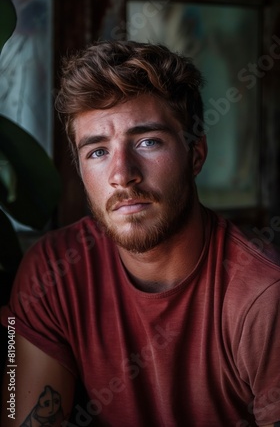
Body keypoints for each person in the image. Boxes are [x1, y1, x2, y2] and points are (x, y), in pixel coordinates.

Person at [1, 41, 280, 427]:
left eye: (148, 141)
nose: (121, 174)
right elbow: (22, 413)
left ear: (195, 155)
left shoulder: (264, 295)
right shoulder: (52, 272)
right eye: (97, 151)